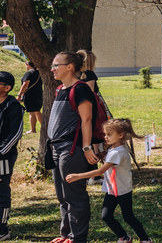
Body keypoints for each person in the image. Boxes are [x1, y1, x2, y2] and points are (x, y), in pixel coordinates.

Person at [65, 119, 150, 243]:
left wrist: (78, 176)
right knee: (106, 216)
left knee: (128, 217)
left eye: (109, 134)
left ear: (120, 135)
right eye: (105, 134)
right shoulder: (115, 148)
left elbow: (100, 172)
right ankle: (124, 237)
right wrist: (100, 155)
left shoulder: (118, 152)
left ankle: (145, 239)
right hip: (112, 191)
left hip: (122, 191)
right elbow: (109, 154)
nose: (105, 137)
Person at [49, 51, 96, 243]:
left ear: (69, 67)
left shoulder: (81, 88)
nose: (52, 69)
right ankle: (65, 235)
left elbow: (87, 119)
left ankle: (77, 237)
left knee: (74, 195)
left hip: (72, 148)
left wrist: (86, 147)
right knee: (62, 195)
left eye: (56, 65)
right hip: (56, 148)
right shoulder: (60, 89)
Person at [0, 71, 24, 241]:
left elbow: (15, 134)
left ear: (7, 88)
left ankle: (1, 229)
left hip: (1, 159)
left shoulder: (13, 106)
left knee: (0, 192)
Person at [16, 61, 41, 134]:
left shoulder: (29, 73)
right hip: (39, 95)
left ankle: (33, 130)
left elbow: (25, 84)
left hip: (30, 95)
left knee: (31, 113)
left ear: (28, 65)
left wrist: (19, 95)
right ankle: (44, 127)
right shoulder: (39, 73)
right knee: (37, 111)